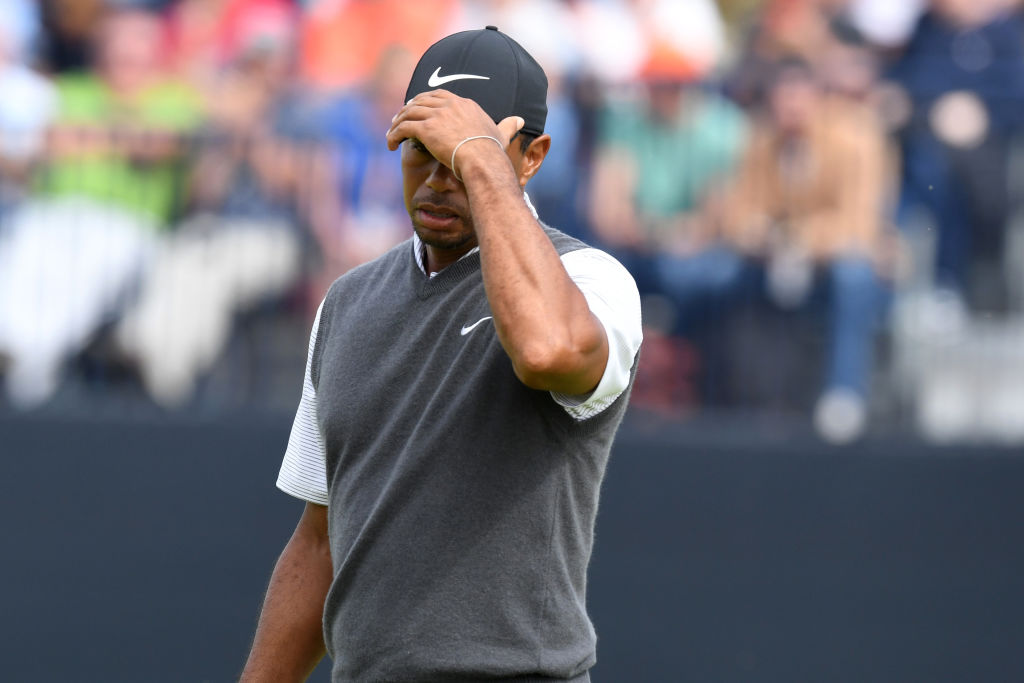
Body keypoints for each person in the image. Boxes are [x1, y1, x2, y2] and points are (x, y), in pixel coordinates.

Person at [240, 26, 642, 682]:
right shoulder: (347, 302)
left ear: (532, 156)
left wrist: (483, 163)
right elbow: (319, 540)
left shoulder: (593, 281)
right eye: (421, 149)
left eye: (461, 155)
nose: (437, 177)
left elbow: (545, 350)